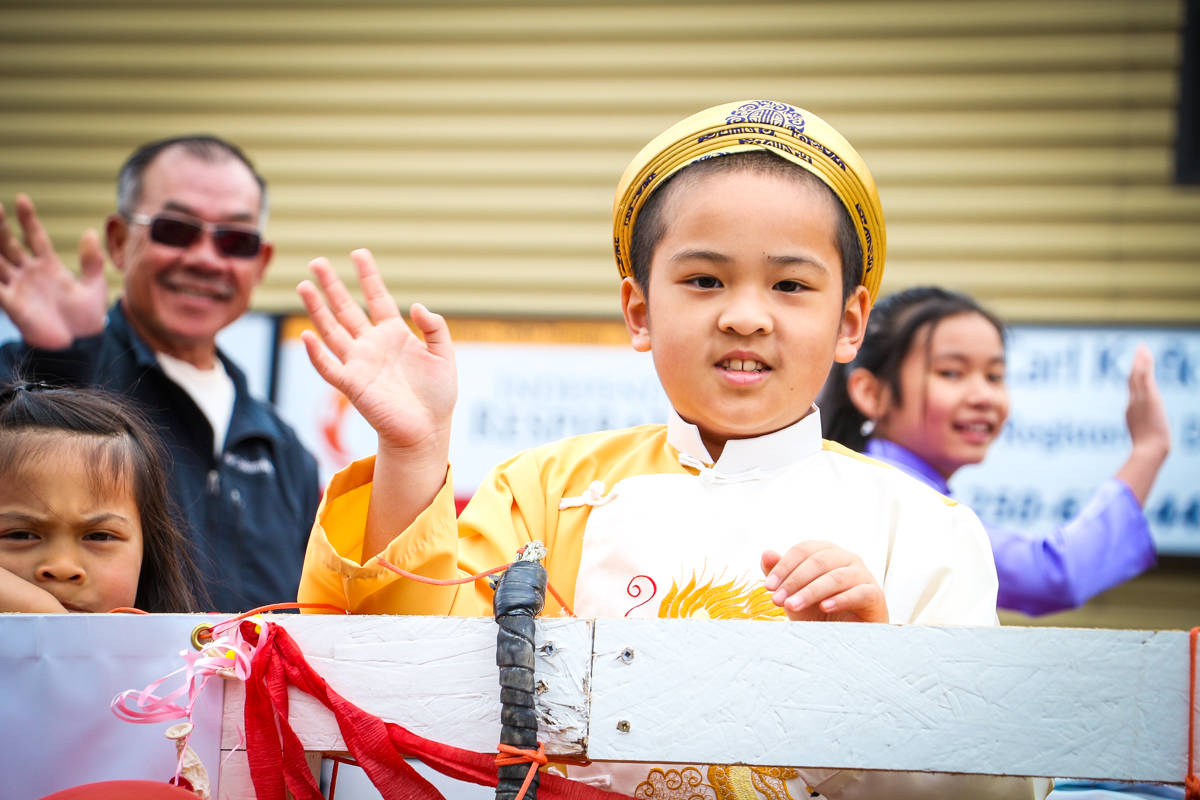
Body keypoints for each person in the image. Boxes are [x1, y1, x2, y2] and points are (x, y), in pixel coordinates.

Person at [296, 101, 1047, 799]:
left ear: (850, 322)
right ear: (639, 308)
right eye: (704, 279)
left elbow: (990, 779)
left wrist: (867, 672)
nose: (747, 316)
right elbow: (405, 685)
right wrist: (413, 453)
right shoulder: (547, 491)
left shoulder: (924, 526)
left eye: (790, 284)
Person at [0, 136, 320, 612]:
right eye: (175, 230)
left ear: (261, 262)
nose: (206, 259)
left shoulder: (285, 452)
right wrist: (60, 364)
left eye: (235, 240)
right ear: (118, 241)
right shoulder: (41, 379)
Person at [819, 286, 1169, 616]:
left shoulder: (869, 482)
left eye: (994, 375)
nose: (983, 396)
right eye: (952, 373)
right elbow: (1050, 574)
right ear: (871, 393)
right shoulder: (892, 499)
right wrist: (1149, 450)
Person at [0, 379, 203, 613]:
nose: (62, 567)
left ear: (147, 556)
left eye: (99, 536)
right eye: (21, 535)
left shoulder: (202, 649)